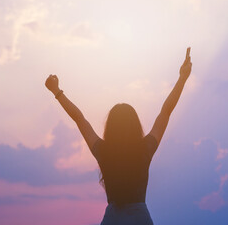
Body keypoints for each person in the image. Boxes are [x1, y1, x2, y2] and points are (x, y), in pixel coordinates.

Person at [45, 47, 192, 225]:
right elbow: (165, 112)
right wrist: (182, 78)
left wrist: (57, 92)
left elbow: (79, 119)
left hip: (112, 219)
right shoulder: (145, 149)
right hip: (140, 219)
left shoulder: (103, 151)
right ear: (135, 124)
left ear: (110, 127)